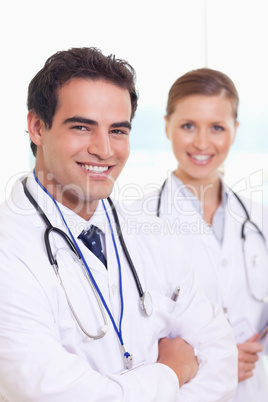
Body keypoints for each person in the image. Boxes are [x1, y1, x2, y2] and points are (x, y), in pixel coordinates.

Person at [0, 49, 238, 402]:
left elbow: (220, 358)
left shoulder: (152, 234)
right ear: (37, 127)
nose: (104, 149)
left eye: (118, 130)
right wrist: (172, 371)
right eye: (82, 127)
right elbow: (55, 393)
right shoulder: (9, 248)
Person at [130, 68, 268, 402]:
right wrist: (218, 361)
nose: (203, 143)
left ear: (235, 131)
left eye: (217, 128)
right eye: (188, 126)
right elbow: (132, 333)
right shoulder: (135, 222)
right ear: (167, 126)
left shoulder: (260, 219)